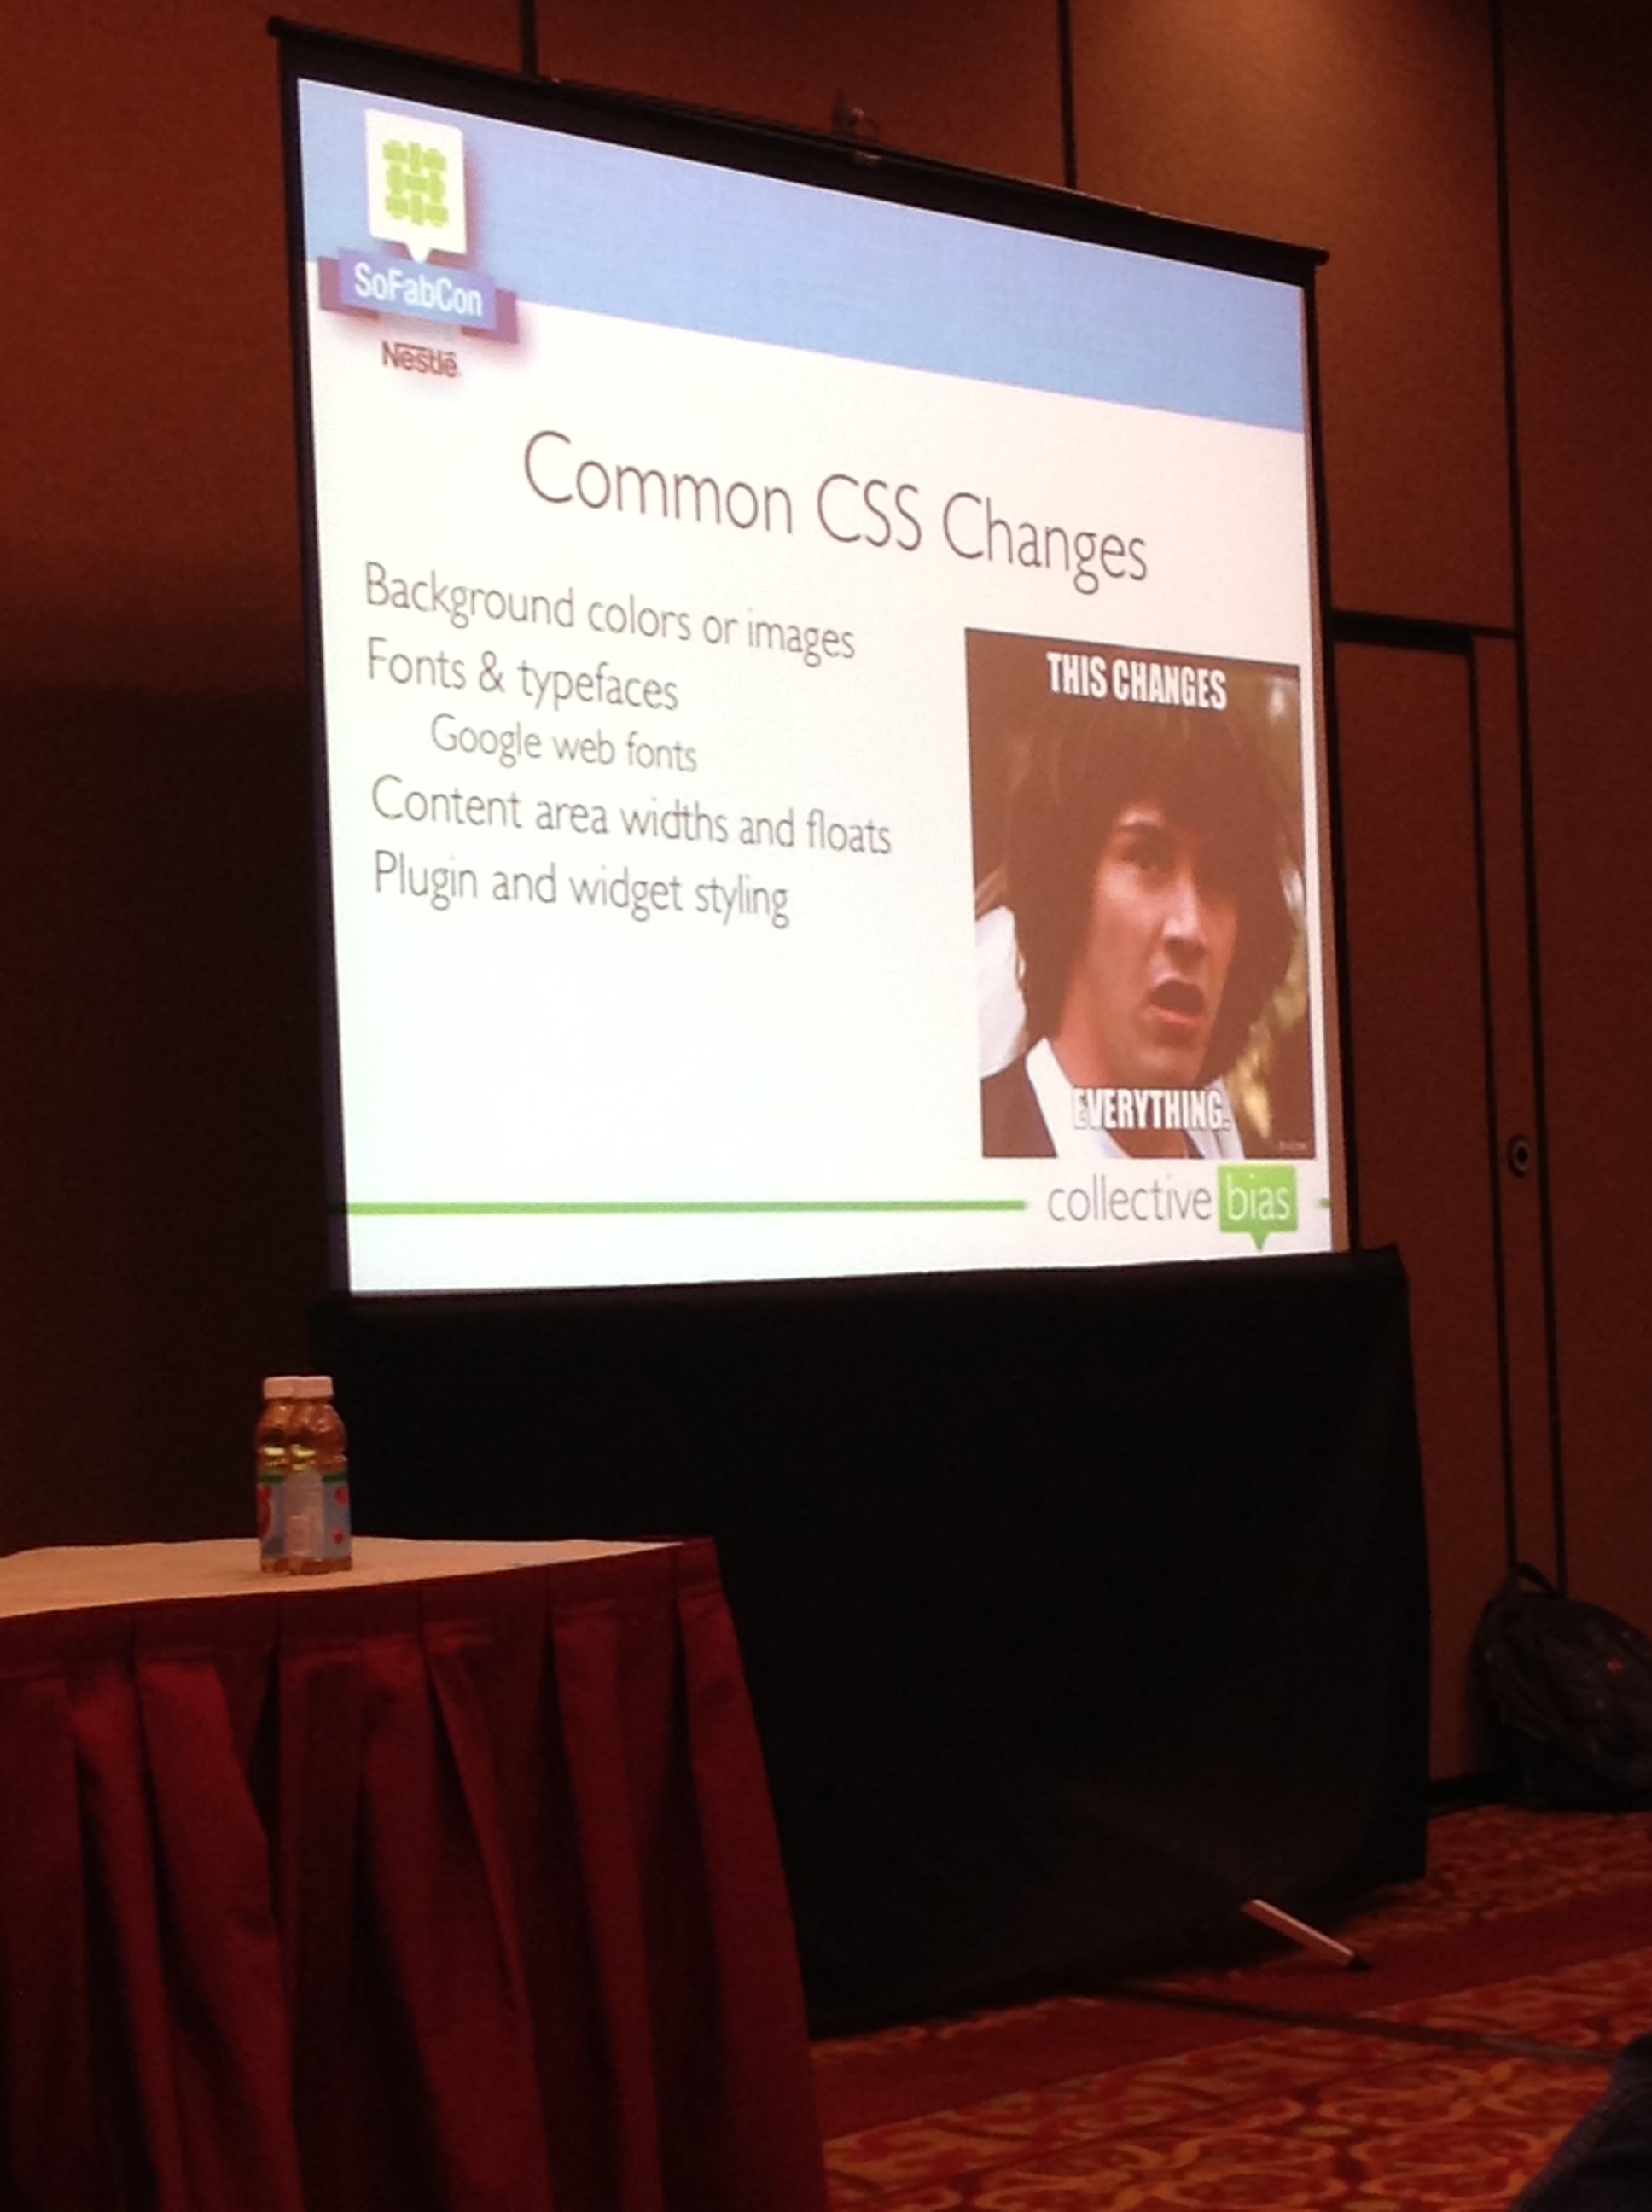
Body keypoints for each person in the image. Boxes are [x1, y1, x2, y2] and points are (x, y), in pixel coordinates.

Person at [980, 693, 1298, 1159]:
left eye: (1219, 874)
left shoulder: (1264, 1175)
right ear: (1067, 886)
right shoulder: (960, 1149)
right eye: (1147, 858)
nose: (1189, 929)